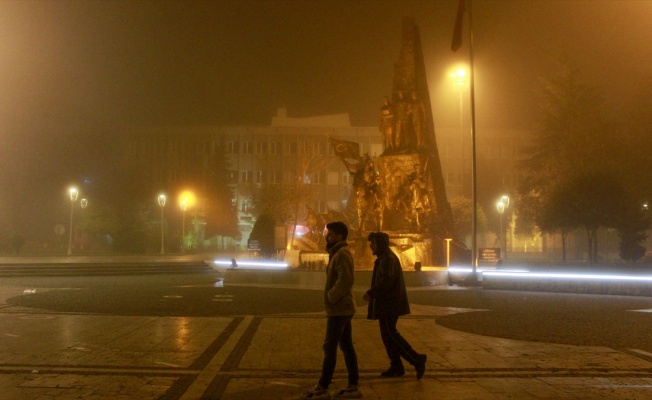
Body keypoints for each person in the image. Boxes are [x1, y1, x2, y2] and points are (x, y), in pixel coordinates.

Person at [301, 222, 362, 399]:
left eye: (331, 234)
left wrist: (331, 296)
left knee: (330, 346)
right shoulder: (338, 253)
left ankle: (323, 386)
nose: (327, 237)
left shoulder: (342, 254)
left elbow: (346, 280)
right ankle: (353, 385)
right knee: (346, 346)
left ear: (340, 237)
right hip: (343, 307)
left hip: (340, 308)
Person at [363, 232, 427, 380]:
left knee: (391, 334)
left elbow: (386, 282)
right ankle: (396, 365)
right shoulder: (384, 258)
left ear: (381, 244)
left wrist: (371, 293)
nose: (371, 245)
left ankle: (417, 359)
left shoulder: (388, 259)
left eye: (373, 242)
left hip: (389, 304)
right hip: (387, 303)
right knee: (388, 336)